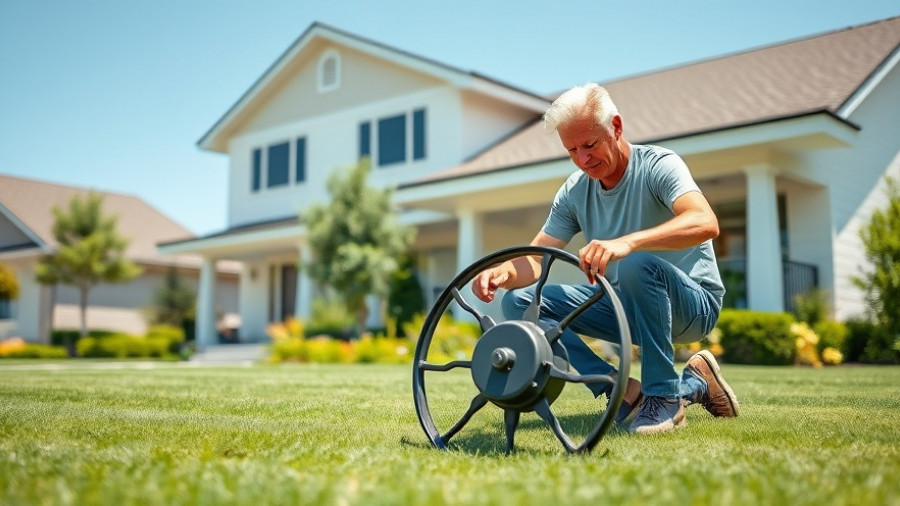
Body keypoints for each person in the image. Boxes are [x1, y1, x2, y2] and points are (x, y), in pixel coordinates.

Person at [471, 83, 739, 434]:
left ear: (615, 127)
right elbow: (536, 260)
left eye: (590, 144)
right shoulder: (574, 191)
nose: (583, 159)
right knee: (521, 301)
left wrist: (628, 243)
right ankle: (625, 390)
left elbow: (706, 222)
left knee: (634, 263)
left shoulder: (659, 165)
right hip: (624, 305)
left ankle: (665, 399)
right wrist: (504, 272)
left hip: (692, 306)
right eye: (572, 150)